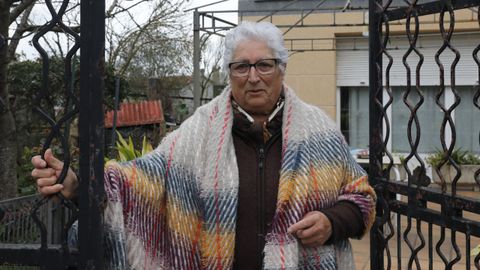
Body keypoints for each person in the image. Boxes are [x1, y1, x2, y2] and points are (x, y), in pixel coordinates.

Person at [32, 21, 376, 269]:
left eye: (264, 65)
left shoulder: (319, 130)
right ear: (229, 73)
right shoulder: (199, 131)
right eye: (241, 66)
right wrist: (78, 185)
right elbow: (139, 182)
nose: (253, 76)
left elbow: (363, 197)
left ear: (281, 69)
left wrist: (333, 221)